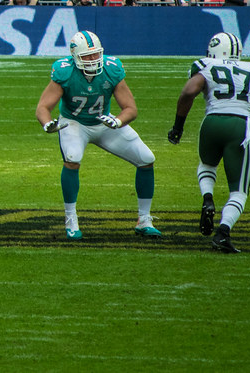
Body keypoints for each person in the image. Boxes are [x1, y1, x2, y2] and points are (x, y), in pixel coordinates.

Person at [34, 31, 160, 241]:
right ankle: (71, 220)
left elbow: (130, 108)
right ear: (75, 56)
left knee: (146, 159)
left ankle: (144, 220)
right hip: (73, 123)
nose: (93, 60)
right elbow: (43, 107)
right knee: (72, 159)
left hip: (104, 122)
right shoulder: (64, 72)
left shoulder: (111, 69)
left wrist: (118, 121)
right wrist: (47, 124)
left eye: (96, 54)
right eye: (87, 56)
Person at [168, 33, 250, 254]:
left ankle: (208, 198)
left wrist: (178, 127)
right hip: (238, 124)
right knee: (238, 191)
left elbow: (188, 92)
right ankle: (223, 233)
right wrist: (245, 120)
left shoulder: (206, 65)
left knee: (207, 165)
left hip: (211, 122)